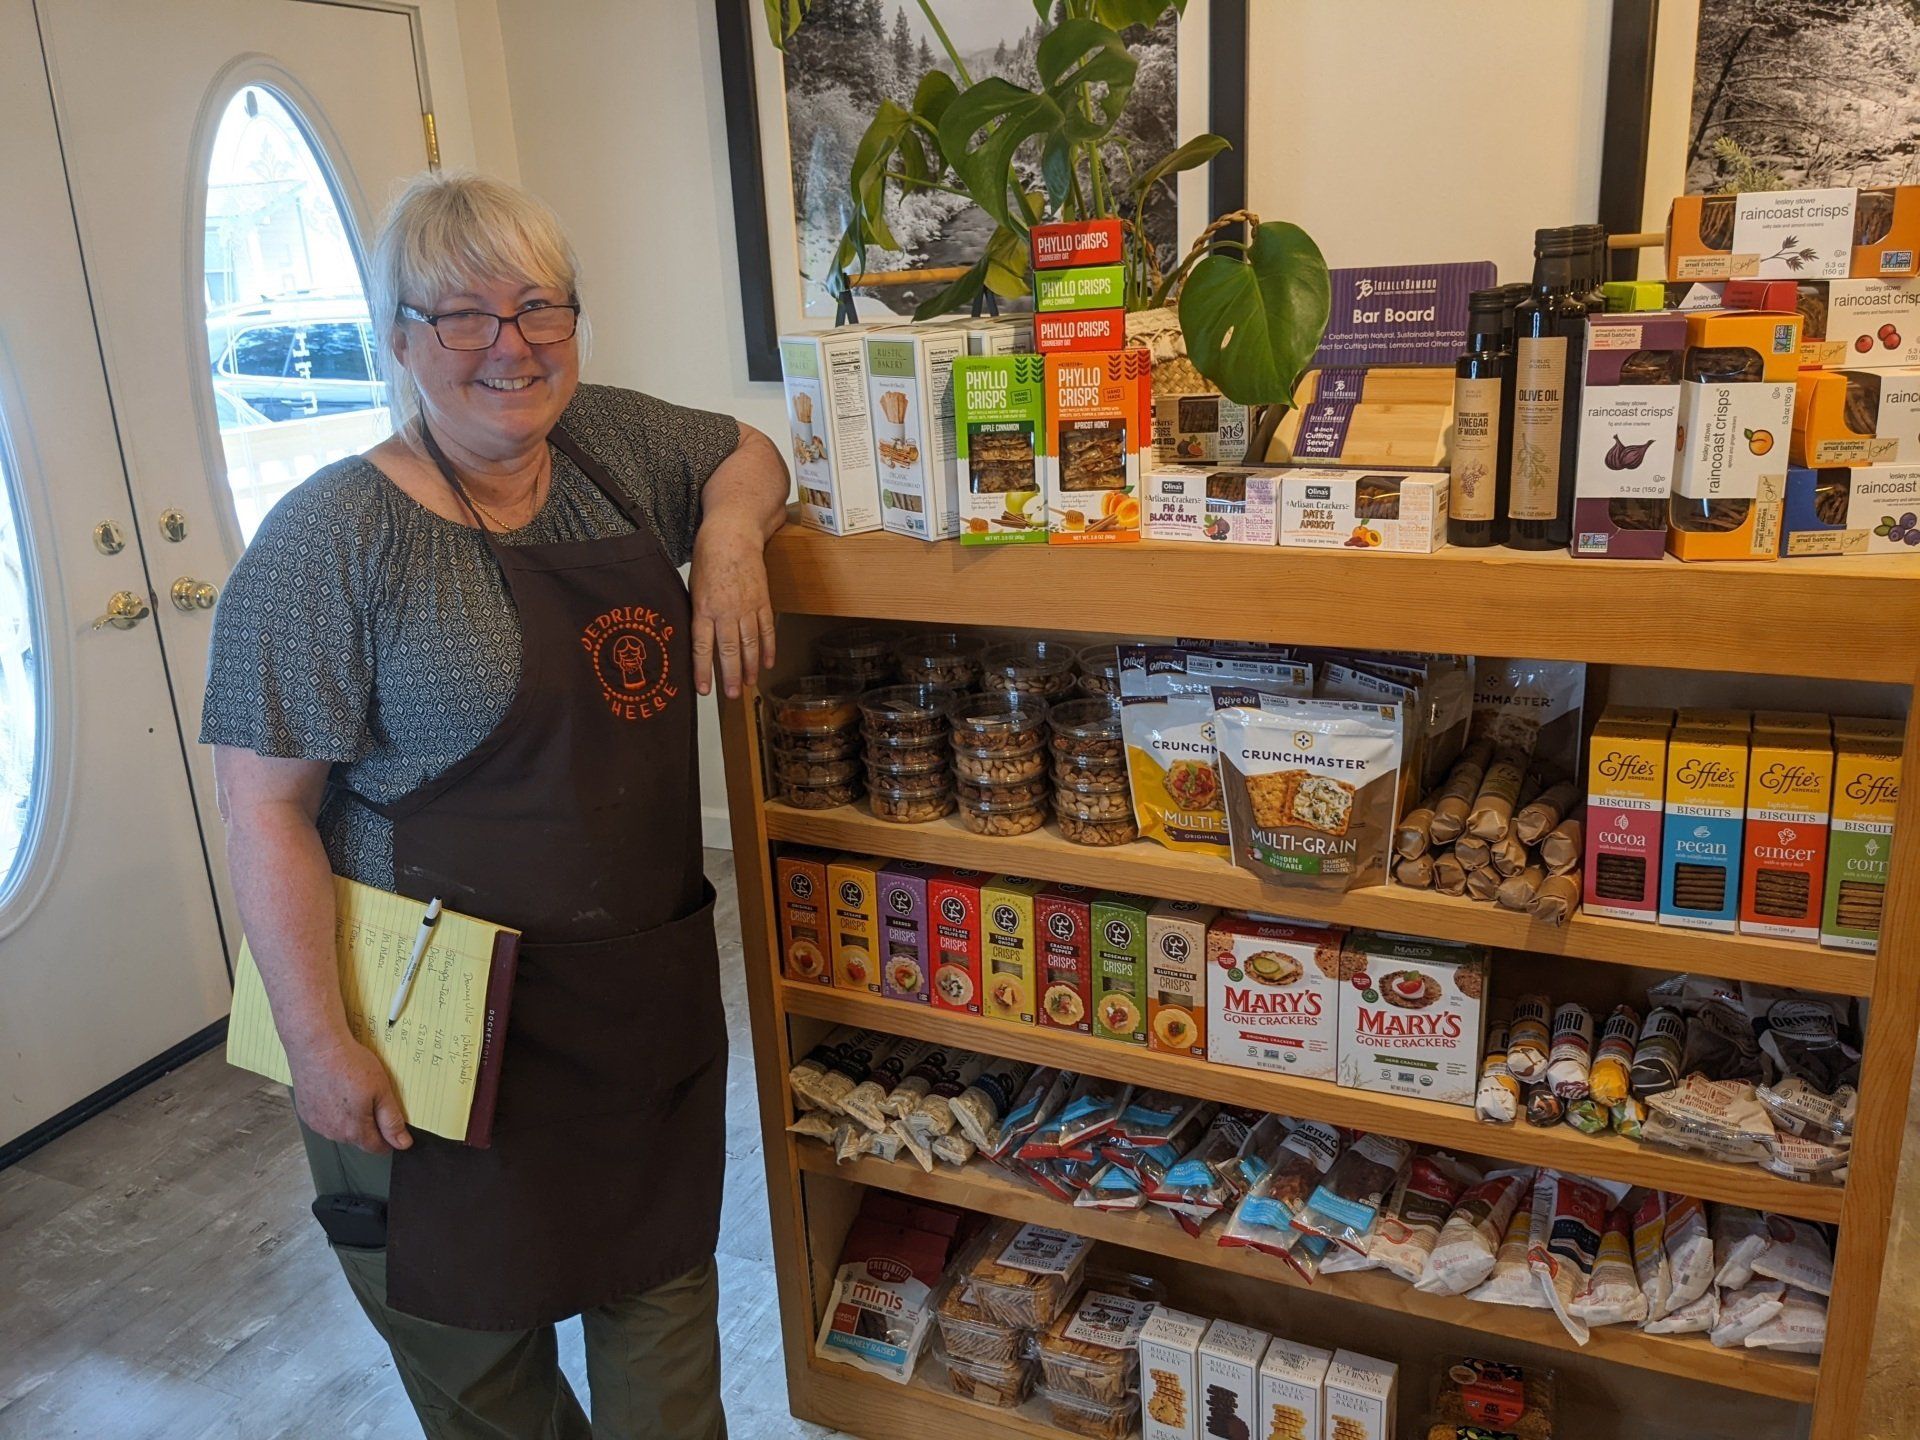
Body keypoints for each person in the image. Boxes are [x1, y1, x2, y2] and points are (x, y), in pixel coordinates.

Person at [200, 171, 788, 1439]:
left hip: (635, 1019)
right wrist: (317, 1045)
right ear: (397, 338)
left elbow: (747, 452)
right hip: (427, 1042)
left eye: (538, 308)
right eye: (462, 315)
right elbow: (264, 816)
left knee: (669, 1378)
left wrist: (730, 538)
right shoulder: (330, 539)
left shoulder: (613, 449)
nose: (510, 346)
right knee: (488, 1394)